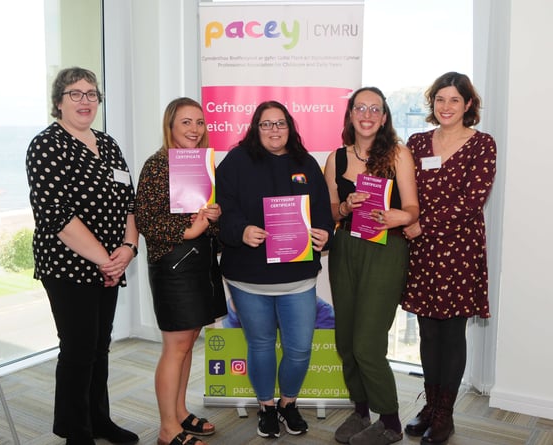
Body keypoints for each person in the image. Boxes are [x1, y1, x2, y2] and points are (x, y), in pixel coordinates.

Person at [25, 67, 139, 445]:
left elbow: (129, 203)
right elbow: (57, 216)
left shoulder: (107, 144)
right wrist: (106, 259)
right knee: (77, 348)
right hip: (68, 265)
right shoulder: (46, 145)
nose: (85, 101)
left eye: (91, 93)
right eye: (75, 93)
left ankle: (98, 419)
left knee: (99, 346)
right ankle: (77, 430)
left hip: (111, 261)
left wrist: (128, 248)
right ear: (59, 101)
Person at [215, 101, 334, 438]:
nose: (274, 130)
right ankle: (266, 407)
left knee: (299, 348)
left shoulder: (306, 163)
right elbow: (223, 209)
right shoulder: (236, 162)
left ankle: (288, 403)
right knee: (261, 345)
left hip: (297, 278)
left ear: (289, 126)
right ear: (256, 127)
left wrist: (326, 234)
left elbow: (323, 213)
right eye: (266, 124)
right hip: (249, 278)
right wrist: (240, 231)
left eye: (280, 123)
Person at [401, 72, 497, 445]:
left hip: (460, 250)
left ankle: (445, 414)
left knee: (452, 333)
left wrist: (422, 225)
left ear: (468, 105)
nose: (446, 107)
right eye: (440, 99)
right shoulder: (417, 142)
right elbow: (406, 192)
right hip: (424, 252)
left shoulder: (482, 144)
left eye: (454, 100)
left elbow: (471, 202)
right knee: (428, 332)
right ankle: (430, 405)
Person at [323, 86, 419, 445]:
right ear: (350, 114)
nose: (367, 114)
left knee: (367, 343)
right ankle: (361, 410)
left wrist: (397, 216)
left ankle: (390, 420)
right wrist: (345, 207)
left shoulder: (398, 154)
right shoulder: (336, 158)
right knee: (346, 338)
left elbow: (412, 210)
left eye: (374, 109)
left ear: (383, 116)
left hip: (385, 249)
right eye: (360, 107)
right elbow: (330, 212)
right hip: (346, 247)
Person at [135, 97, 227, 445]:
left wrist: (212, 218)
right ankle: (166, 429)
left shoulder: (203, 166)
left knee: (187, 344)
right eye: (186, 122)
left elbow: (205, 221)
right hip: (173, 266)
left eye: (199, 122)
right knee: (175, 347)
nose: (194, 129)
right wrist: (187, 231)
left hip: (199, 264)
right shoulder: (158, 165)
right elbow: (145, 220)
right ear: (170, 126)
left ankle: (179, 412)